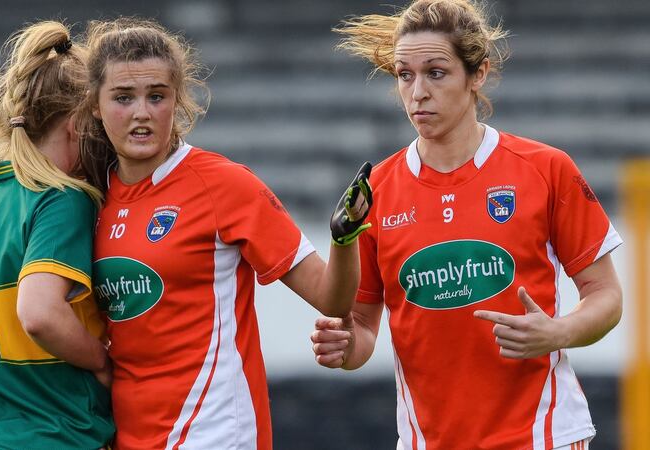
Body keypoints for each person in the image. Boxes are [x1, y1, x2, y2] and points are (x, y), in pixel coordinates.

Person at [310, 1, 623, 449]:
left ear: (477, 75)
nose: (417, 92)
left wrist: (560, 332)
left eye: (435, 72)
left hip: (543, 437)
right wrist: (342, 347)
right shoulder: (376, 189)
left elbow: (606, 295)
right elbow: (361, 326)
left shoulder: (546, 169)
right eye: (404, 74)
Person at [77, 18, 372, 450]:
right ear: (96, 105)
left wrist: (343, 239)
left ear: (176, 101)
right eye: (124, 98)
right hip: (130, 435)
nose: (142, 112)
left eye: (156, 96)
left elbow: (332, 298)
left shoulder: (223, 184)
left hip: (214, 433)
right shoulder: (91, 197)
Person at [0, 21, 114, 450]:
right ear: (78, 126)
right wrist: (101, 359)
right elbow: (40, 314)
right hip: (41, 436)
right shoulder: (63, 198)